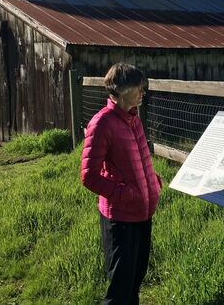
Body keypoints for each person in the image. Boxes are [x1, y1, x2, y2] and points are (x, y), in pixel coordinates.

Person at [81, 63, 162, 305]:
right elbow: (89, 176)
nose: (142, 91)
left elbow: (138, 161)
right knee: (120, 289)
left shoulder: (134, 118)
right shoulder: (102, 123)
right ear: (120, 89)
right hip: (120, 218)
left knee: (135, 281)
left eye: (142, 87)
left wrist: (153, 182)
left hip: (142, 213)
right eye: (137, 87)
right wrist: (123, 194)